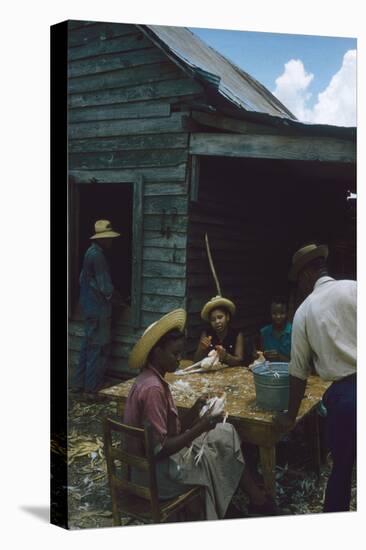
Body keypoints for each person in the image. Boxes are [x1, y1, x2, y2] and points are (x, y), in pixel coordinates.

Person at [123, 309, 277, 520]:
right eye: (174, 354)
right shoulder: (153, 389)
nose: (179, 360)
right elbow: (160, 449)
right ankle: (231, 506)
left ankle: (241, 499)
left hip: (156, 461)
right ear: (157, 352)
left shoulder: (152, 378)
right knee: (213, 456)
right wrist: (201, 426)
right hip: (154, 474)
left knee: (226, 432)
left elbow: (171, 430)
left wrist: (196, 409)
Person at [274, 243, 356, 513]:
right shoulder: (354, 288)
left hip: (346, 397)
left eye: (298, 280)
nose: (298, 287)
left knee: (342, 470)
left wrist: (289, 415)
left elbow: (297, 371)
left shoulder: (305, 311)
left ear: (307, 274)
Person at [72, 219, 121, 395]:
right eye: (108, 238)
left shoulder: (89, 253)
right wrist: (119, 299)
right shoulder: (98, 256)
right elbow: (105, 287)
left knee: (87, 345)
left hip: (89, 307)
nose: (111, 241)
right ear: (101, 239)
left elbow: (81, 280)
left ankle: (78, 383)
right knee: (96, 349)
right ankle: (91, 389)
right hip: (99, 309)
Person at [193, 296, 245, 366]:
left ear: (227, 317)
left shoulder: (237, 335)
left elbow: (240, 361)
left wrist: (226, 356)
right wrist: (202, 349)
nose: (217, 321)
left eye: (220, 317)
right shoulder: (206, 334)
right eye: (213, 319)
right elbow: (196, 361)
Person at [259, 296, 292, 362]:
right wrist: (259, 355)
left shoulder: (294, 332)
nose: (278, 317)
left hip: (289, 371)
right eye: (274, 313)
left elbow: (298, 363)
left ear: (287, 313)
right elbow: (261, 358)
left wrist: (279, 356)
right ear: (270, 314)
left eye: (282, 313)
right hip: (269, 371)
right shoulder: (264, 332)